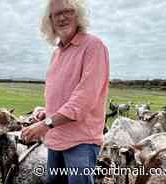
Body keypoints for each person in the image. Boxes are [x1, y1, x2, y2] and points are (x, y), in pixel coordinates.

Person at [21, 0, 110, 183]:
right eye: (56, 14)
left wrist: (46, 124)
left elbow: (84, 99)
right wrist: (47, 113)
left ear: (78, 15)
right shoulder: (57, 53)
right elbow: (64, 95)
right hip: (56, 138)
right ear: (50, 21)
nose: (62, 17)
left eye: (67, 11)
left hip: (81, 142)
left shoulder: (93, 46)